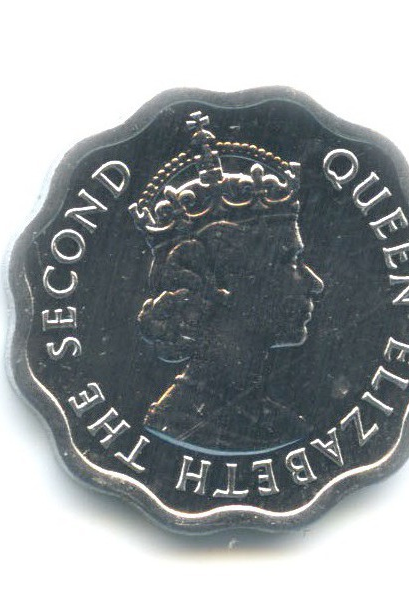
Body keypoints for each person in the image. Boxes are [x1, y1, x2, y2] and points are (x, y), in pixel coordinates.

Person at [129, 111, 324, 451]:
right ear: (223, 283)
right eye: (289, 261)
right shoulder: (180, 423)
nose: (315, 283)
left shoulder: (276, 422)